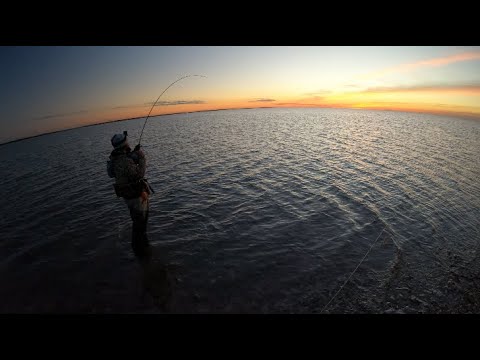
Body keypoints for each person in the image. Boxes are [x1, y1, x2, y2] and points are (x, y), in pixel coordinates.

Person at [107, 131, 152, 261]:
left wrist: (133, 154)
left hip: (129, 197)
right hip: (136, 197)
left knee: (138, 223)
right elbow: (139, 174)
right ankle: (140, 251)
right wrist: (142, 157)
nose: (128, 142)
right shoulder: (124, 161)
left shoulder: (115, 159)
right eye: (126, 141)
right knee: (140, 225)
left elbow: (115, 172)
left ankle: (142, 249)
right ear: (123, 143)